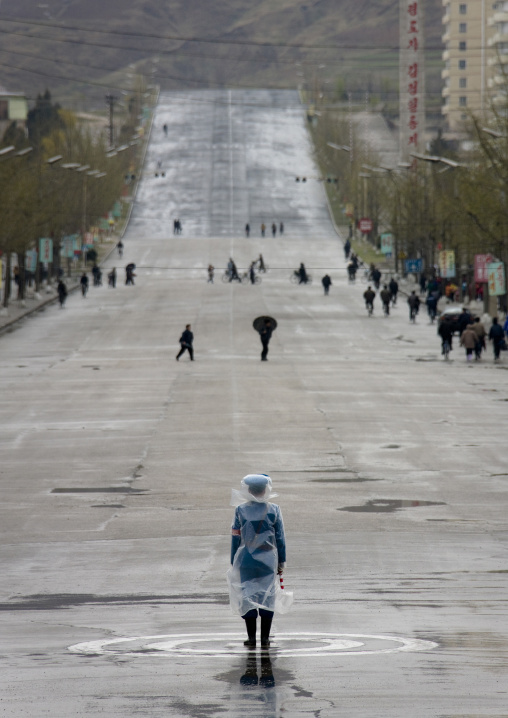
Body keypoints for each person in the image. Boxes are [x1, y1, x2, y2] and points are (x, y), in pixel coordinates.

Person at [227, 474, 288, 648]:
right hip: (268, 559)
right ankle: (265, 639)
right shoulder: (274, 509)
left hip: (246, 559)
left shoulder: (240, 510)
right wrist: (281, 562)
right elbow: (280, 538)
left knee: (247, 595)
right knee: (267, 596)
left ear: (247, 490)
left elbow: (235, 539)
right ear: (265, 490)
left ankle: (251, 637)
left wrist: (234, 561)